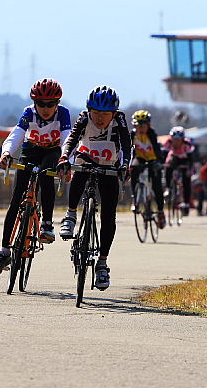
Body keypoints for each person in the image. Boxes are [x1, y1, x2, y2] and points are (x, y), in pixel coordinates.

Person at [0, 78, 71, 276]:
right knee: (16, 200)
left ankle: (47, 224)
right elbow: (17, 134)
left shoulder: (63, 114)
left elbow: (68, 138)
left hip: (52, 151)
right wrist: (6, 153)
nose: (45, 108)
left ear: (57, 103)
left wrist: (66, 159)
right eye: (41, 103)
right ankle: (4, 251)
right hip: (30, 150)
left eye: (50, 104)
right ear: (34, 103)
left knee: (45, 174)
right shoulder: (29, 113)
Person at [56, 86, 131, 290]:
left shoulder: (120, 120)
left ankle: (102, 264)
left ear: (113, 114)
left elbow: (126, 145)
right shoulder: (83, 117)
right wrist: (64, 158)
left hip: (109, 164)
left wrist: (125, 166)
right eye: (96, 113)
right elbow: (71, 140)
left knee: (109, 215)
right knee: (79, 172)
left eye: (105, 114)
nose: (99, 118)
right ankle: (71, 215)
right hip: (86, 158)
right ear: (89, 110)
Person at [129, 110, 166, 228]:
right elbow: (128, 150)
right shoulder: (133, 134)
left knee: (157, 186)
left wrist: (159, 162)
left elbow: (157, 149)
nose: (140, 128)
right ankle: (135, 200)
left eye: (143, 125)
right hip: (139, 158)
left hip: (153, 160)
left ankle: (160, 211)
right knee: (133, 169)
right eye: (138, 125)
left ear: (148, 125)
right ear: (134, 125)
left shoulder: (152, 134)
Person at [163, 126, 195, 216]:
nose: (176, 141)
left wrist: (189, 169)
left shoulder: (187, 144)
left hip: (185, 159)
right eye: (174, 139)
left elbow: (191, 159)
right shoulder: (168, 142)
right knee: (168, 167)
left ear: (183, 139)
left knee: (186, 180)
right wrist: (162, 164)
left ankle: (186, 203)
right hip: (174, 158)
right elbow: (164, 155)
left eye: (178, 139)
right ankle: (168, 188)